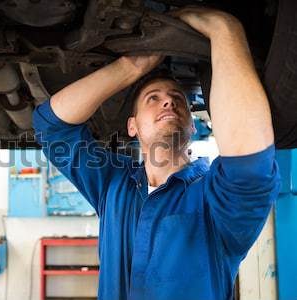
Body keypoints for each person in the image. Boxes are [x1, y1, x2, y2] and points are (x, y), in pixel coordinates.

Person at [32, 6, 281, 300]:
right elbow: (52, 127)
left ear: (191, 125)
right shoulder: (113, 184)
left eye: (178, 99)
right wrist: (130, 68)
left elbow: (250, 167)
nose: (168, 103)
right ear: (132, 126)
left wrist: (224, 29)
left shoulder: (214, 196)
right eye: (154, 98)